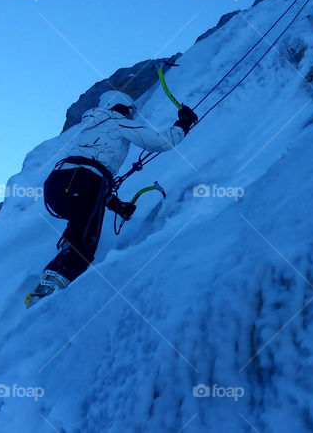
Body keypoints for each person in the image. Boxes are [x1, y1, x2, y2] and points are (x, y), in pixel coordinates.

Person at [27, 90, 198, 305]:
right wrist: (184, 123)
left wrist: (117, 206)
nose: (131, 116)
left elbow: (88, 172)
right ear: (121, 107)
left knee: (79, 227)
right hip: (87, 180)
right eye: (130, 111)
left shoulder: (88, 126)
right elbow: (161, 142)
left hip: (56, 185)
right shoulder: (118, 121)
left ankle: (55, 275)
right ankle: (49, 292)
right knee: (85, 244)